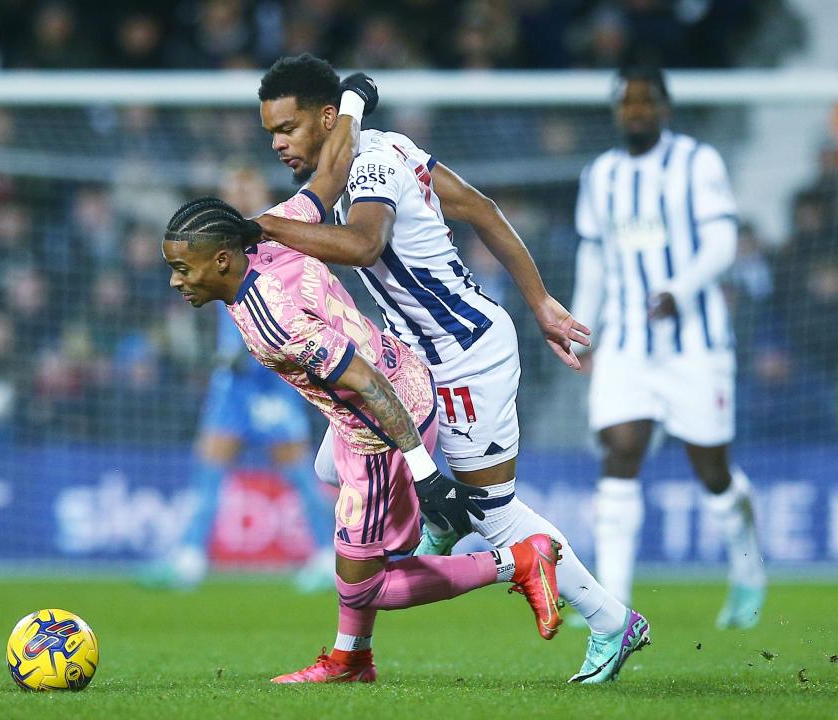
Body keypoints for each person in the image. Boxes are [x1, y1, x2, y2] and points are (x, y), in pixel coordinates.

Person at [253, 53, 647, 684]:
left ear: (327, 119)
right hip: (410, 361)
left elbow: (364, 244)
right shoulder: (379, 145)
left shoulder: (374, 166)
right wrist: (540, 300)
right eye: (270, 131)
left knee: (494, 514)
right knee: (336, 463)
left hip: (465, 358)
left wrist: (262, 226)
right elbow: (479, 207)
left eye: (289, 128)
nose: (277, 143)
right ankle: (438, 517)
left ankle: (610, 620)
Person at [160, 83, 565, 683]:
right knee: (346, 534)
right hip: (396, 384)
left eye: (181, 268)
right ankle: (352, 656)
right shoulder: (276, 231)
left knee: (367, 583)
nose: (176, 282)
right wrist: (352, 104)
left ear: (220, 261)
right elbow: (329, 175)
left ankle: (519, 561)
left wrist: (427, 480)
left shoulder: (272, 323)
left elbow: (365, 383)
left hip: (379, 425)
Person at [569, 65, 765, 629]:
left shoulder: (697, 162)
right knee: (620, 451)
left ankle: (748, 565)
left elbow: (724, 238)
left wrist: (681, 289)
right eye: (626, 103)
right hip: (628, 344)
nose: (635, 111)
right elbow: (595, 259)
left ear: (665, 107)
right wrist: (585, 329)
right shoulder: (600, 175)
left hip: (696, 346)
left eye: (645, 101)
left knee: (712, 472)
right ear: (615, 111)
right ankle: (611, 604)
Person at [142, 166, 337, 593]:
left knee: (300, 475)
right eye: (230, 186)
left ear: (261, 190)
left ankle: (327, 554)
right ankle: (191, 557)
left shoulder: (277, 239)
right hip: (231, 381)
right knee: (209, 469)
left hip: (269, 377)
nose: (236, 192)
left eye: (244, 185)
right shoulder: (215, 242)